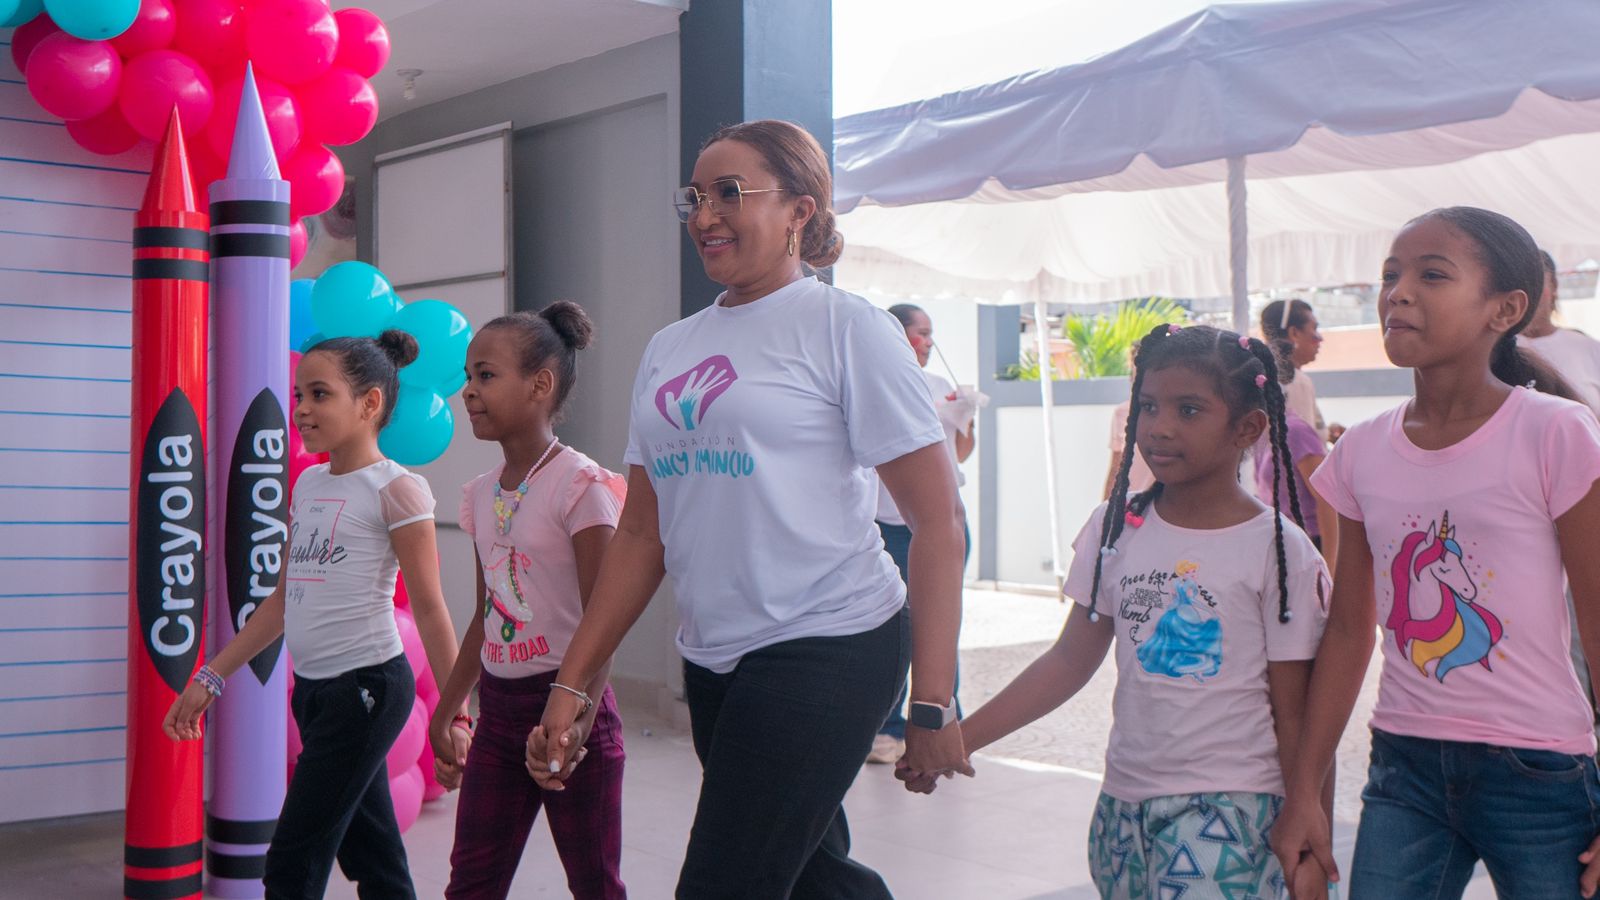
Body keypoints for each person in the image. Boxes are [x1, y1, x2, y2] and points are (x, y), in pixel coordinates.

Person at [525, 119, 969, 900]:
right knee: (809, 874)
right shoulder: (670, 347)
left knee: (727, 881)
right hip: (716, 657)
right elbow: (640, 530)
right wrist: (575, 680)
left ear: (801, 210)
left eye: (731, 193)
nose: (705, 215)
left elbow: (936, 521)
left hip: (829, 641)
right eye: (696, 196)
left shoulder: (847, 328)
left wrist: (931, 701)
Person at [904, 323, 1332, 900]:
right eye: (1149, 405)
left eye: (1188, 410)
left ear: (1247, 428)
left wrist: (1309, 832)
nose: (1158, 426)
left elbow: (1300, 711)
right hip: (1121, 806)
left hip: (1232, 809)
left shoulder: (1278, 550)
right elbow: (1067, 661)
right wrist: (958, 740)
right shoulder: (1117, 525)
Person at [1271, 207, 1600, 900]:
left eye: (1431, 275)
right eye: (1390, 274)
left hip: (1539, 768)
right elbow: (1352, 627)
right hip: (1404, 766)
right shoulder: (1359, 449)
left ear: (1505, 308)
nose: (1397, 292)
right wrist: (1304, 789)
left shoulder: (1555, 432)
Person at [164, 331, 462, 899]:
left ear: (369, 403)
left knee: (290, 865)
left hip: (367, 689)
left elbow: (430, 608)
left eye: (319, 395)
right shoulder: (309, 482)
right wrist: (211, 674)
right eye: (299, 395)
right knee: (374, 857)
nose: (300, 410)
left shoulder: (398, 490)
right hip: (316, 692)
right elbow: (282, 599)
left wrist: (456, 715)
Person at [430, 303, 628, 900]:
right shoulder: (481, 494)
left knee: (594, 884)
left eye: (485, 375)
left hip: (572, 710)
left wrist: (576, 724)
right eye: (468, 376)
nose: (468, 391)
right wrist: (450, 707)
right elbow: (485, 615)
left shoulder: (580, 486)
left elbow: (605, 618)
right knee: (470, 883)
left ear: (540, 385)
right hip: (500, 715)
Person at [867, 303, 977, 764]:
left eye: (932, 334)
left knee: (940, 623)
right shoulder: (876, 385)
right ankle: (890, 727)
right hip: (889, 523)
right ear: (898, 336)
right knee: (898, 629)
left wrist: (966, 416)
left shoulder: (940, 386)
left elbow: (961, 454)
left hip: (943, 520)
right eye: (922, 333)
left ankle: (945, 722)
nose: (929, 342)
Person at [1520, 250, 1600, 411]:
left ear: (1554, 285)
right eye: (1518, 283)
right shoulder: (1494, 352)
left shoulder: (1589, 348)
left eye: (1535, 282)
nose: (1527, 294)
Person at [1261, 299, 1342, 443]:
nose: (1320, 338)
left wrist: (1326, 432)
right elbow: (1303, 450)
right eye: (1315, 329)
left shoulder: (1262, 376)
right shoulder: (1296, 382)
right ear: (1294, 333)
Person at [1104, 342, 1156, 500]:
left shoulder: (1175, 417)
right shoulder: (1122, 413)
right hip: (1128, 512)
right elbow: (1115, 468)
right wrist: (1105, 511)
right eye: (1135, 378)